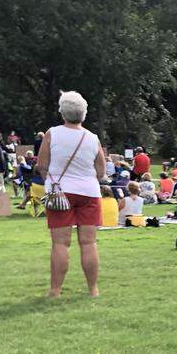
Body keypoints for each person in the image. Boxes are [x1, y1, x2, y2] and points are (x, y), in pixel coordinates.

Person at [33, 92, 107, 296]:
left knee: (60, 243)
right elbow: (101, 172)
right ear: (83, 114)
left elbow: (42, 165)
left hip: (60, 193)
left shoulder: (52, 134)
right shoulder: (92, 138)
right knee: (89, 242)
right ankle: (93, 289)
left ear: (62, 113)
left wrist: (53, 178)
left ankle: (55, 290)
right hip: (89, 193)